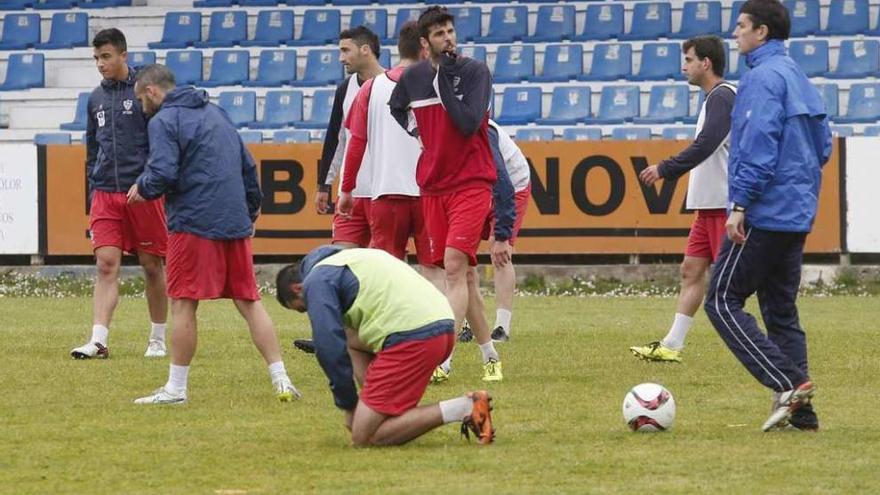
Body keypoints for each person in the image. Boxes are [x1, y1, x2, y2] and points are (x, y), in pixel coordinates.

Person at [127, 64, 300, 405]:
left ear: (151, 91)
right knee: (249, 302)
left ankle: (176, 389)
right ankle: (281, 379)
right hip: (233, 220)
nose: (141, 107)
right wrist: (250, 210)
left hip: (193, 223)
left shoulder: (163, 121)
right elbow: (246, 164)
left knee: (183, 304)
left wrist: (142, 188)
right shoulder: (216, 112)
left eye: (140, 99)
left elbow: (162, 171)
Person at [703, 0, 831, 432]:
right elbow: (824, 146)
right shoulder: (797, 76)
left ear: (761, 32)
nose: (734, 33)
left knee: (721, 299)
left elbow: (756, 145)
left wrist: (740, 205)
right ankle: (803, 414)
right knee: (780, 312)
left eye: (741, 26)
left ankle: (789, 383)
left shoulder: (760, 78)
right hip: (796, 211)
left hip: (764, 209)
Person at [276, 246, 495, 446]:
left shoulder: (317, 280)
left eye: (304, 309)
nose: (310, 311)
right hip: (443, 326)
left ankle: (465, 407)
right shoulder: (350, 258)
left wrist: (349, 405)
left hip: (415, 338)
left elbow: (329, 346)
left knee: (363, 436)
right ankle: (378, 409)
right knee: (349, 335)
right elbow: (346, 338)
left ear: (298, 289)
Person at [389, 6, 506, 383]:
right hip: (433, 186)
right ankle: (490, 355)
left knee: (454, 267)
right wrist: (419, 133)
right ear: (425, 43)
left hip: (472, 183)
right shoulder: (414, 77)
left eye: (450, 31)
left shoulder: (474, 72)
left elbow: (469, 122)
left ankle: (443, 359)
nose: (448, 38)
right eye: (439, 34)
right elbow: (397, 108)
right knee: (465, 277)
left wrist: (444, 84)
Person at [629, 35, 737, 363]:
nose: (684, 66)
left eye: (689, 59)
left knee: (732, 285)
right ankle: (672, 345)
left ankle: (764, 343)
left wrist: (666, 168)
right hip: (708, 207)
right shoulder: (714, 99)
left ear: (706, 63)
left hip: (723, 204)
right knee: (691, 270)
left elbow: (707, 144)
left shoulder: (722, 97)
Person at [70, 28, 169, 360]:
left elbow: (161, 140)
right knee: (106, 264)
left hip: (142, 192)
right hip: (105, 193)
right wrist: (90, 191)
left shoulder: (145, 91)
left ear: (124, 55)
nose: (101, 64)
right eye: (97, 58)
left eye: (106, 57)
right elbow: (91, 148)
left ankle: (157, 338)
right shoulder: (94, 98)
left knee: (152, 265)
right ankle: (98, 340)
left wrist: (150, 181)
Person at [337, 21, 441, 287]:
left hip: (387, 193)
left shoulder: (371, 88)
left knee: (387, 271)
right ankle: (445, 328)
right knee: (436, 270)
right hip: (429, 192)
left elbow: (355, 144)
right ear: (424, 48)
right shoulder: (439, 85)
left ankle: (392, 327)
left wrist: (346, 190)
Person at [459, 119, 530, 344]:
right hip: (475, 188)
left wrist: (501, 234)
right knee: (460, 253)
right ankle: (468, 322)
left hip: (510, 185)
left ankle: (502, 326)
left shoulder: (482, 130)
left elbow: (503, 183)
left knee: (500, 252)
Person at [315, 26, 385, 249]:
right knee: (342, 260)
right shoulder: (345, 89)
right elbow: (336, 139)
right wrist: (324, 185)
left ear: (365, 50)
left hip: (385, 192)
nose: (341, 58)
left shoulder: (396, 85)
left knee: (387, 263)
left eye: (346, 51)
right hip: (351, 194)